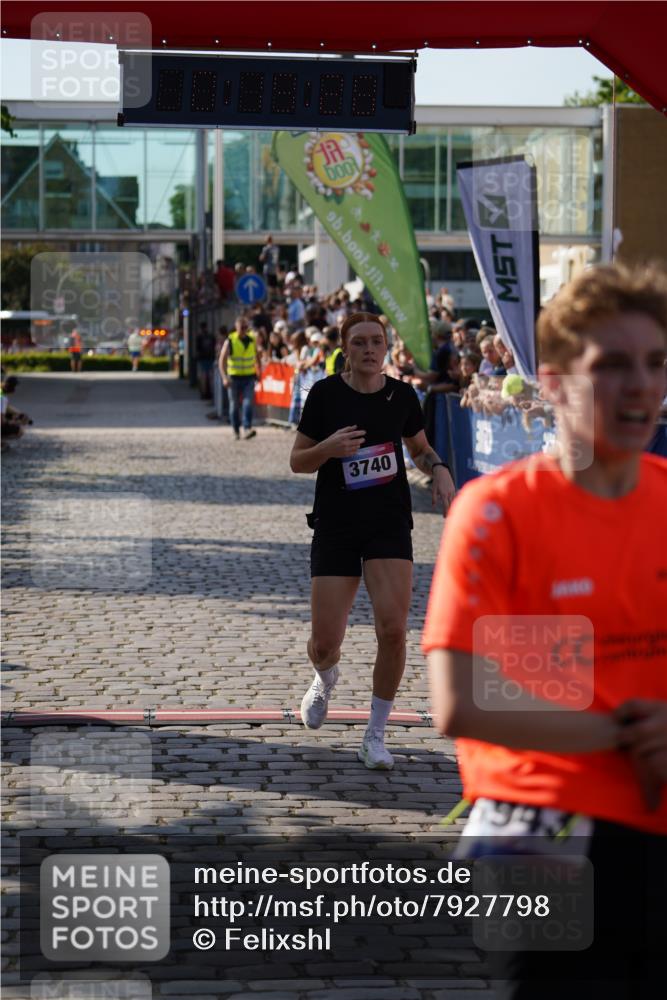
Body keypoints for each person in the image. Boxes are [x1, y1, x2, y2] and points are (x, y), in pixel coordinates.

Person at [423, 263, 667, 996]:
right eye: (612, 365)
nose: (641, 386)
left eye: (655, 363)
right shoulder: (499, 513)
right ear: (554, 384)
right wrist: (625, 732)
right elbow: (464, 702)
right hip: (541, 831)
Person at [290, 312, 456, 769]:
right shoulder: (325, 395)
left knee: (394, 630)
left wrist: (440, 469)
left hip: (388, 522)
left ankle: (375, 734)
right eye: (359, 342)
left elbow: (419, 449)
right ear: (345, 348)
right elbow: (298, 461)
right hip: (337, 524)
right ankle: (325, 677)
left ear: (386, 348)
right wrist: (328, 449)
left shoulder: (401, 396)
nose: (369, 349)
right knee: (325, 641)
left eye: (376, 342)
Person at [219, 315, 259, 440]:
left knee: (248, 403)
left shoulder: (252, 340)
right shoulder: (230, 341)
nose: (244, 330)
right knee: (234, 405)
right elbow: (222, 360)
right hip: (234, 378)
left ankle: (247, 428)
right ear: (236, 327)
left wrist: (259, 372)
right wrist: (224, 377)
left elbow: (257, 355)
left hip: (249, 377)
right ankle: (236, 430)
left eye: (246, 327)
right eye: (242, 327)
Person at [195, 322, 217, 399]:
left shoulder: (199, 337)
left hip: (202, 358)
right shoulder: (211, 336)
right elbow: (214, 347)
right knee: (211, 376)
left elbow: (197, 349)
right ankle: (211, 392)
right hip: (211, 358)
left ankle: (203, 393)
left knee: (203, 376)